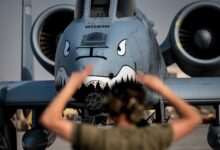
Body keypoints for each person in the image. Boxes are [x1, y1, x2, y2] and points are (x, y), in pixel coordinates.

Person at [40, 65, 202, 150]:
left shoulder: (96, 139)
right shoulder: (152, 138)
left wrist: (72, 85)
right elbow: (193, 118)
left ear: (111, 110)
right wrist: (161, 88)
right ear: (139, 108)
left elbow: (49, 119)